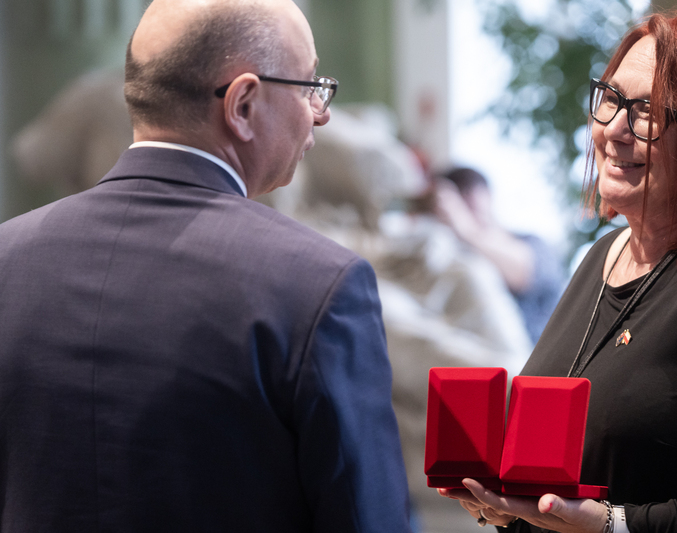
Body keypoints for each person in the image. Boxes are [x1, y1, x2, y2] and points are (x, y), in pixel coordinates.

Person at [0, 0, 411, 531]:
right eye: (309, 85)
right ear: (242, 104)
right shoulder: (318, 287)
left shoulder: (7, 259)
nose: (321, 111)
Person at [439, 11, 677, 532]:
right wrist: (512, 508)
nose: (612, 130)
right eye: (610, 99)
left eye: (647, 111)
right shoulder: (602, 256)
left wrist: (616, 525)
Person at [434, 167, 564, 344]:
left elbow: (524, 271)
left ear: (486, 194)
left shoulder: (532, 243)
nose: (463, 205)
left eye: (467, 191)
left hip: (536, 360)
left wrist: (466, 230)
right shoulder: (454, 253)